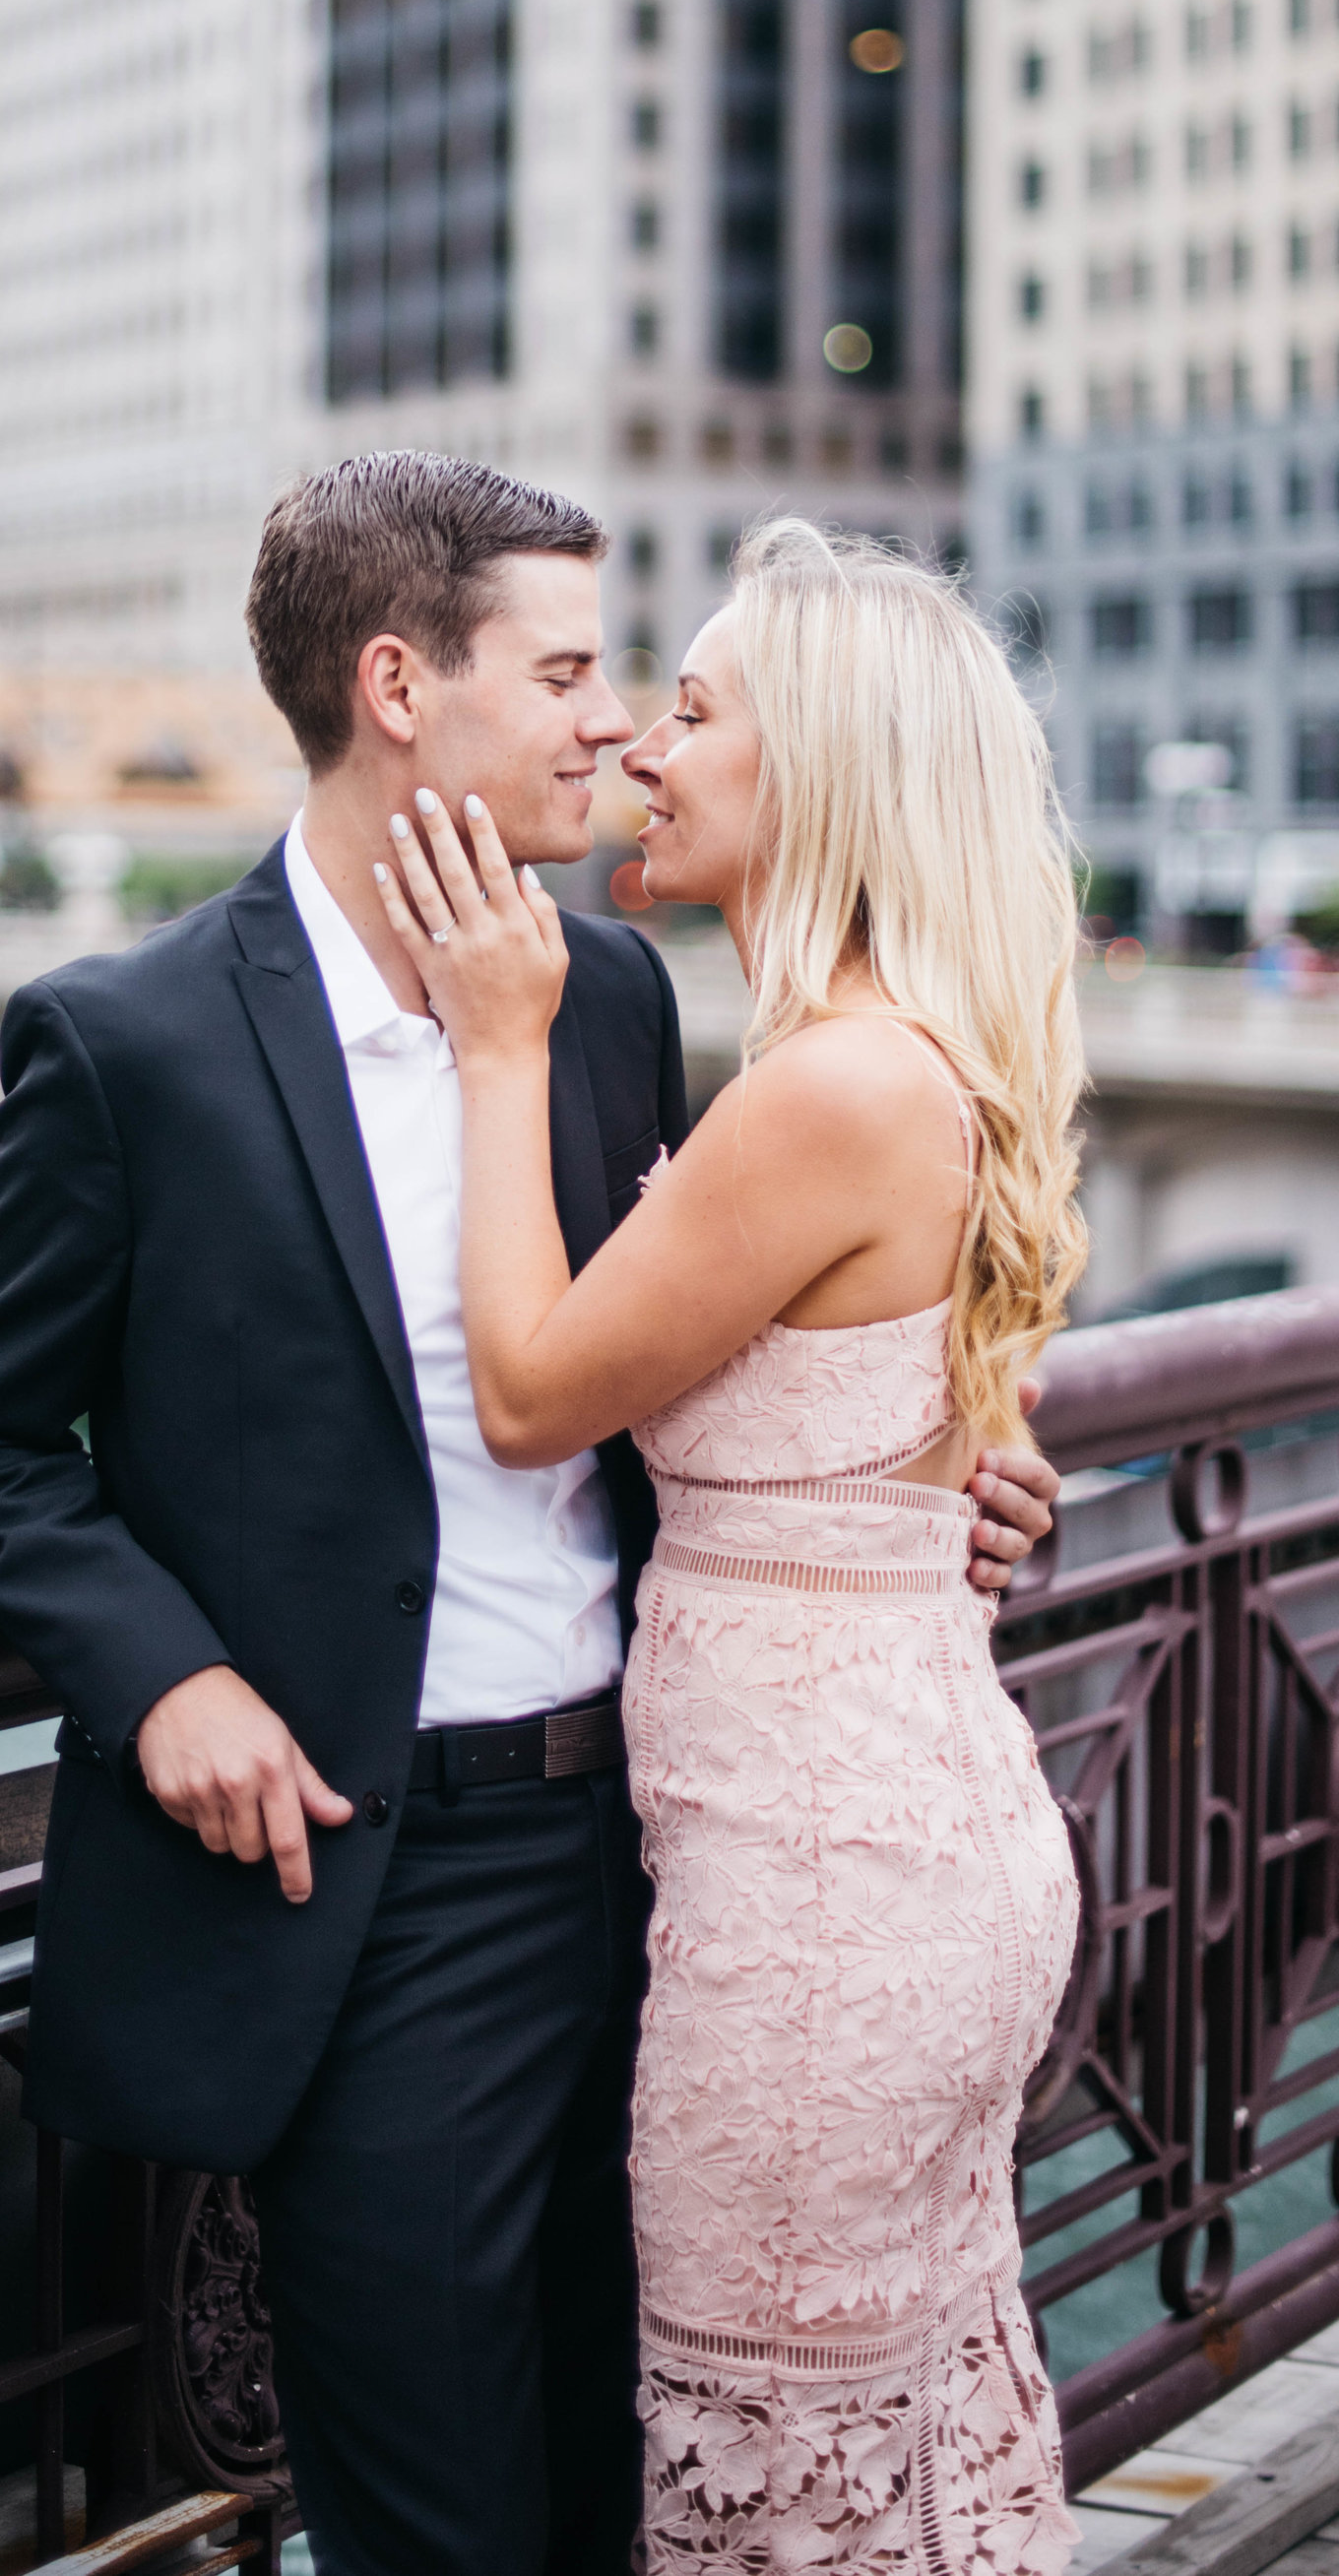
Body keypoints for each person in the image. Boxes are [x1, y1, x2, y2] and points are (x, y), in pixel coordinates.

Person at [0, 454, 1061, 2576]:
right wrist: (161, 1675)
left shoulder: (610, 1002)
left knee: (661, 2477)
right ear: (396, 689)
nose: (609, 726)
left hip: (684, 1871)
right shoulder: (128, 1041)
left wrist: (919, 1466)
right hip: (373, 1888)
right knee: (439, 2515)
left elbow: (681, 1356)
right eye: (566, 670)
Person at [371, 515, 1085, 2573]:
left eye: (689, 709)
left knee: (773, 2476)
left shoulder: (824, 1090)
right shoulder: (887, 1065)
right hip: (897, 1859)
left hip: (821, 1917)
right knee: (906, 2446)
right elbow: (862, 1423)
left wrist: (499, 1040)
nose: (637, 749)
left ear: (824, 771)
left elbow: (527, 1390)